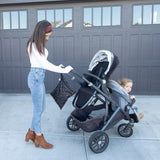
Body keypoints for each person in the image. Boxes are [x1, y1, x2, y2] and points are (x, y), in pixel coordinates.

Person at [25, 20, 73, 149]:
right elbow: (43, 64)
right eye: (47, 34)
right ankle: (39, 137)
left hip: (39, 77)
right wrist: (63, 70)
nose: (48, 36)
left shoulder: (39, 45)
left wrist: (57, 67)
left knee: (42, 107)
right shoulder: (33, 44)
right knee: (38, 109)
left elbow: (43, 62)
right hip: (35, 77)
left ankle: (30, 132)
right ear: (41, 32)